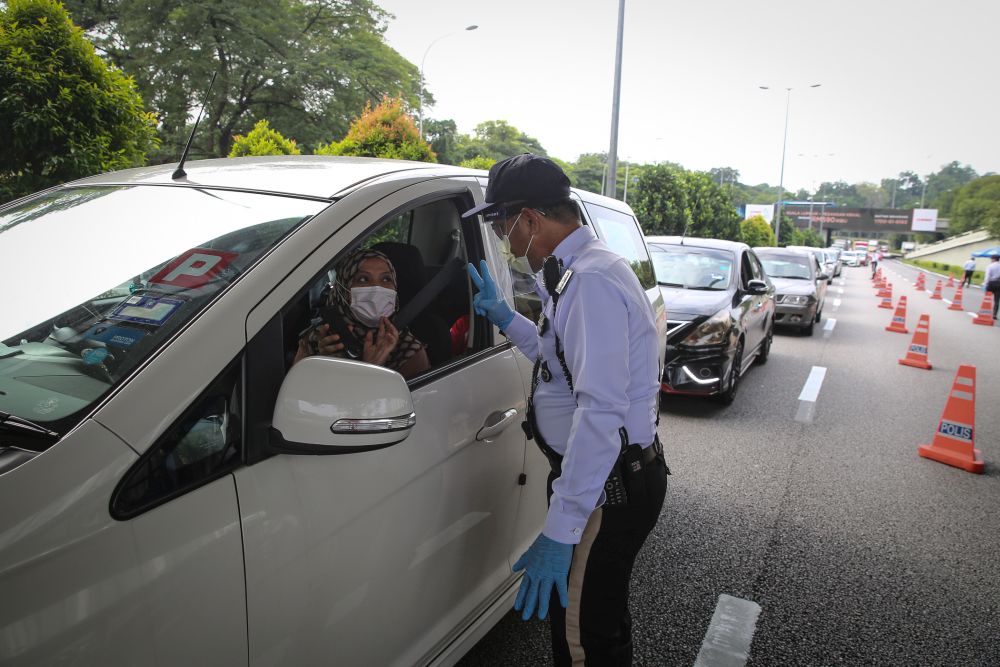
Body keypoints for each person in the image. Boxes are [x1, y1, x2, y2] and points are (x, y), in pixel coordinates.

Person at [464, 154, 668, 666]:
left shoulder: (590, 282)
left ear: (531, 219)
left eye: (502, 225)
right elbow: (561, 361)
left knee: (582, 640)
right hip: (615, 478)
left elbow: (600, 412)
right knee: (598, 620)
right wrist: (507, 318)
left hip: (609, 485)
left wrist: (562, 529)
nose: (506, 242)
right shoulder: (579, 271)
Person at [293, 248, 430, 378]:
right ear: (343, 291)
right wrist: (321, 364)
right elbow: (295, 396)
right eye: (363, 279)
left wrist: (370, 369)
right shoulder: (318, 340)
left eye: (386, 279)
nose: (377, 288)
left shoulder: (407, 350)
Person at [984, 254, 1000, 321]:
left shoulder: (990, 266)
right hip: (999, 283)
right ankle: (994, 315)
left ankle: (985, 312)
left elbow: (987, 276)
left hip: (991, 283)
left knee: (987, 298)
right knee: (996, 300)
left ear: (993, 259)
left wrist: (985, 284)